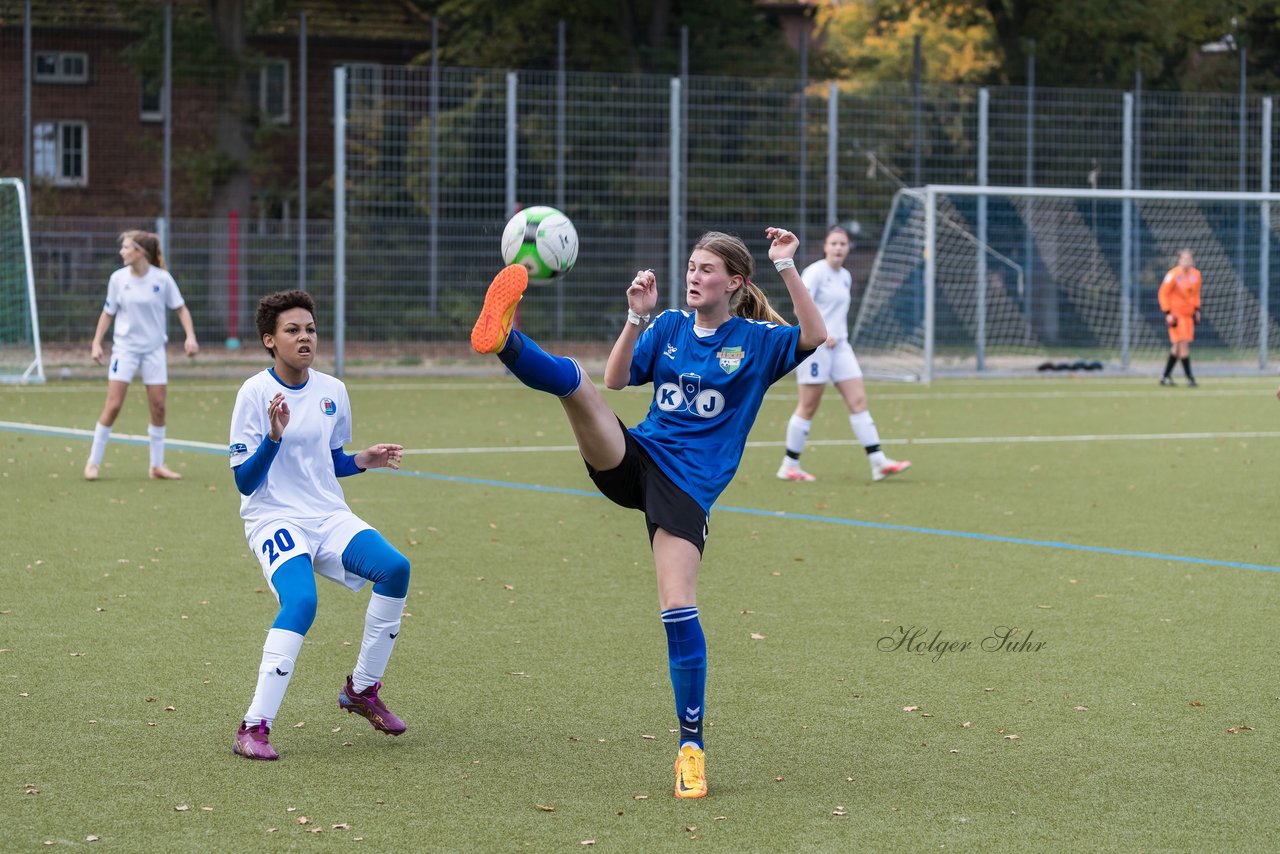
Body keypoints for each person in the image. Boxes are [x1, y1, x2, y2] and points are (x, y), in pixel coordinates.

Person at [470, 227, 826, 799]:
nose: (693, 275)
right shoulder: (668, 327)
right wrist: (636, 317)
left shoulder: (757, 340)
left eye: (708, 269)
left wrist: (786, 264)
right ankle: (504, 338)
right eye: (691, 265)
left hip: (687, 490)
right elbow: (617, 379)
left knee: (678, 607)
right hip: (638, 456)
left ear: (735, 282)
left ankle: (691, 750)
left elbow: (815, 335)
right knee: (581, 386)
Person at [227, 289, 411, 761]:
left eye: (309, 328)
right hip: (274, 518)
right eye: (292, 330)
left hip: (327, 515)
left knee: (395, 568)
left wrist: (362, 460)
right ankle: (253, 727)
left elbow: (331, 464)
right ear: (270, 340)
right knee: (301, 601)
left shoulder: (333, 391)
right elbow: (246, 482)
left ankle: (362, 690)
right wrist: (272, 437)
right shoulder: (254, 393)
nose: (304, 337)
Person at [775, 225, 911, 483]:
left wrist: (837, 335)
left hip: (842, 348)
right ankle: (789, 465)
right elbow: (800, 306)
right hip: (817, 348)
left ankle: (878, 462)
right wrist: (821, 333)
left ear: (848, 249)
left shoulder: (845, 276)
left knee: (858, 401)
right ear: (825, 247)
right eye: (834, 243)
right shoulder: (815, 273)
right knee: (808, 406)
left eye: (843, 244)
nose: (838, 248)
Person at [83, 230, 198, 481]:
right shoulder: (117, 279)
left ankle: (156, 466)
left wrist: (190, 336)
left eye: (126, 248)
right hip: (125, 349)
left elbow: (181, 309)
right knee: (113, 406)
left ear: (140, 252)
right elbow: (107, 313)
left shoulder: (163, 279)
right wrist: (96, 343)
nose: (121, 252)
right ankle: (93, 462)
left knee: (158, 407)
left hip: (154, 350)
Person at [1158, 248, 1201, 387]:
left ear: (1192, 260)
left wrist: (1196, 310)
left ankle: (1165, 377)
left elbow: (1195, 295)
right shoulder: (1173, 274)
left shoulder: (1196, 275)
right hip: (1176, 316)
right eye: (1184, 259)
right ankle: (1190, 378)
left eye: (1189, 259)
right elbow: (1163, 294)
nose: (1186, 261)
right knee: (1183, 344)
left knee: (1177, 347)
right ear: (1179, 260)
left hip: (1188, 316)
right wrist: (1167, 313)